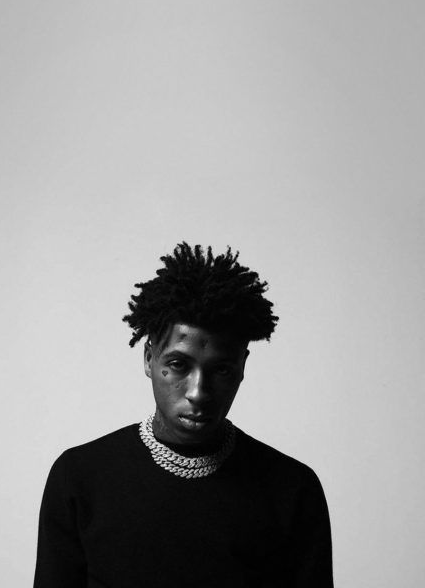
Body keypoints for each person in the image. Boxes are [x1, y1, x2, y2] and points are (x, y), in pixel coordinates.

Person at [33, 242, 334, 587]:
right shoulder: (80, 477)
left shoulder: (292, 489)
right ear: (149, 359)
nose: (198, 392)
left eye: (220, 370)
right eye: (178, 365)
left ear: (242, 368)